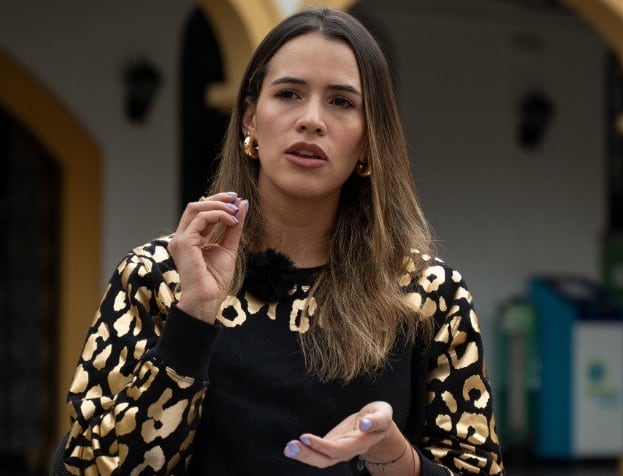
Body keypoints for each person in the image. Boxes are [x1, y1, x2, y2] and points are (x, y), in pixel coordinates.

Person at [60, 7, 503, 475]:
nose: (311, 120)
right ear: (250, 119)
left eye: (342, 102)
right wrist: (193, 316)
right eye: (289, 94)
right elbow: (89, 467)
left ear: (369, 140)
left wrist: (393, 455)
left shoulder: (425, 294)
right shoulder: (159, 274)